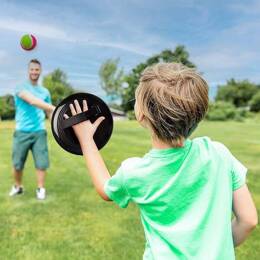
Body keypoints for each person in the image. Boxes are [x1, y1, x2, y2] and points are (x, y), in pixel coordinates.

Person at [66, 63, 258, 259]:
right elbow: (248, 220)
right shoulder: (218, 154)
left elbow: (105, 189)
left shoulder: (136, 172)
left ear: (141, 114)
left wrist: (87, 140)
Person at [9, 59, 55, 200]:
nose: (34, 72)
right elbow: (33, 101)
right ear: (28, 71)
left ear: (40, 71)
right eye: (32, 69)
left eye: (37, 69)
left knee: (41, 163)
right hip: (22, 131)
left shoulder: (45, 91)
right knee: (17, 164)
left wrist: (56, 125)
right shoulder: (20, 87)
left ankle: (40, 188)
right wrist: (57, 108)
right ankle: (18, 187)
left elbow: (48, 112)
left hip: (39, 131)